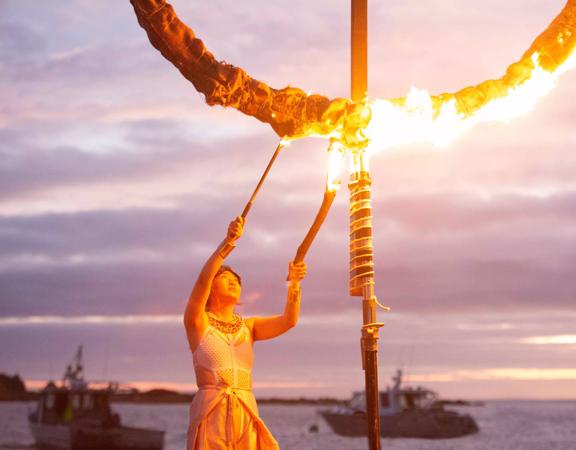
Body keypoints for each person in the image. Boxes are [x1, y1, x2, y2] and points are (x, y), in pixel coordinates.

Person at [184, 216, 307, 449]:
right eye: (224, 278)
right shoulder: (197, 322)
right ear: (211, 289)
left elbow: (289, 321)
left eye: (236, 280)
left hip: (246, 409)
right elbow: (202, 280)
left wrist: (295, 284)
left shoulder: (249, 327)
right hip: (212, 410)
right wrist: (227, 243)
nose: (232, 281)